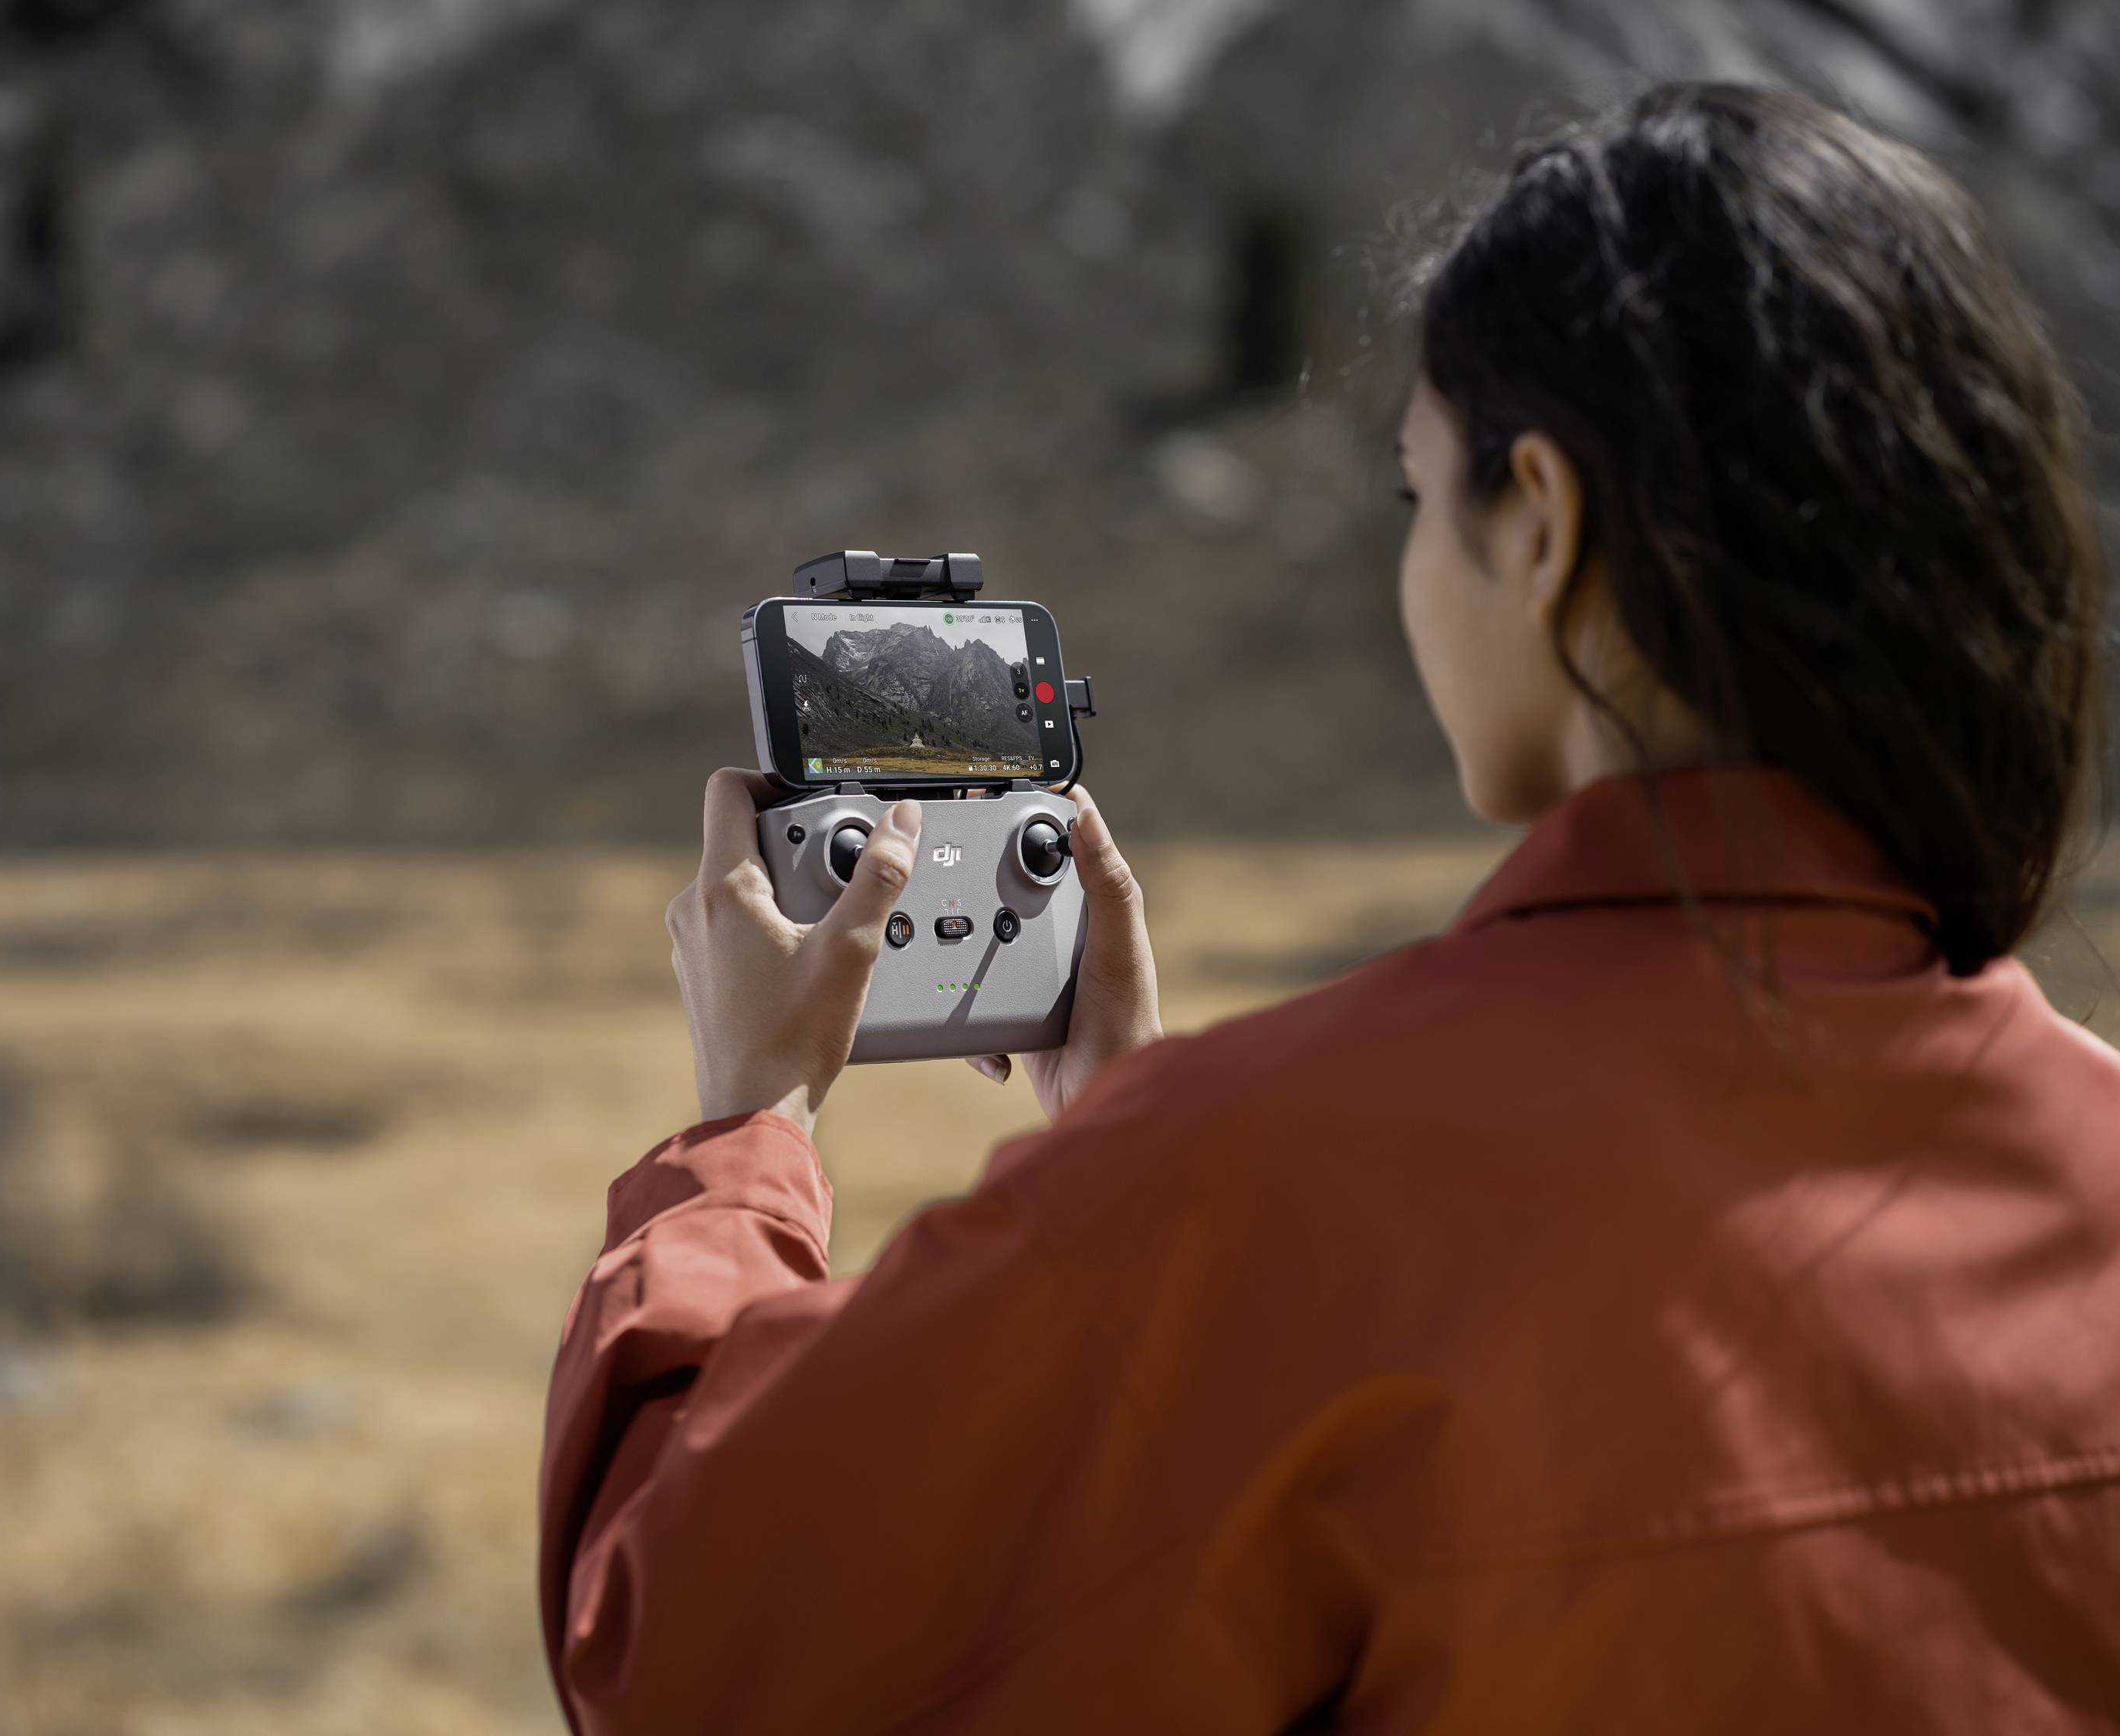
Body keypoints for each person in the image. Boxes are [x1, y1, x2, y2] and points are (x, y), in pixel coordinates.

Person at [537, 83, 2120, 1734]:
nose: (1412, 565)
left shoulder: (1263, 1203)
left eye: (1418, 498)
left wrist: (748, 1139)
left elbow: (683, 1649)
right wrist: (1138, 1153)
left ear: (1546, 526)